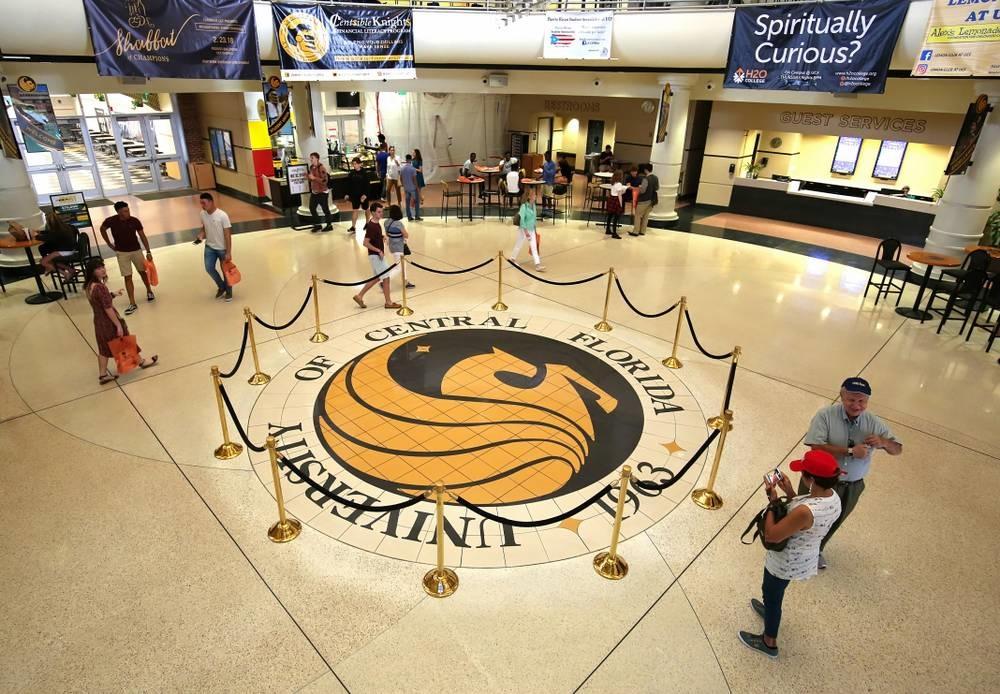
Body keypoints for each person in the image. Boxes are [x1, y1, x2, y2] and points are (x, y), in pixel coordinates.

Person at [738, 450, 842, 659]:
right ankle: (769, 612)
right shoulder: (833, 498)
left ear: (811, 479)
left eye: (803, 473)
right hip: (804, 555)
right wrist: (791, 492)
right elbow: (805, 520)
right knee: (774, 592)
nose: (801, 475)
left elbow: (772, 535)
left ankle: (769, 642)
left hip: (785, 561)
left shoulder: (805, 510)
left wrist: (773, 500)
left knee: (773, 595)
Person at [800, 377, 902, 569]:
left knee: (834, 520)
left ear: (867, 401)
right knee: (806, 515)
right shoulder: (825, 416)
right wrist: (849, 451)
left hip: (852, 485)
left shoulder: (874, 423)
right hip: (821, 481)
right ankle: (793, 546)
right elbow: (815, 446)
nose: (856, 405)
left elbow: (898, 449)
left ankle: (816, 550)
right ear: (841, 396)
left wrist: (884, 442)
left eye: (861, 401)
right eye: (851, 400)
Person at [83, 257, 157, 385]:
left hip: (98, 322)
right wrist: (118, 325)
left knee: (103, 348)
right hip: (108, 322)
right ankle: (142, 362)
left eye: (102, 267)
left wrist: (112, 295)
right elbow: (107, 308)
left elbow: (100, 302)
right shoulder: (100, 288)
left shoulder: (90, 286)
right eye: (98, 269)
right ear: (92, 272)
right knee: (125, 341)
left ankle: (102, 375)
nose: (102, 270)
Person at [99, 201, 154, 315]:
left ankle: (149, 291)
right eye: (124, 211)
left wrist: (148, 251)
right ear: (118, 212)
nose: (127, 212)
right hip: (122, 253)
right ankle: (132, 303)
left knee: (142, 272)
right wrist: (109, 243)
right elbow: (102, 229)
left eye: (128, 210)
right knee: (127, 277)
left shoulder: (134, 221)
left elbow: (142, 236)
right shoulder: (111, 221)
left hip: (136, 251)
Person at [352, 202, 400, 310]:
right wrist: (378, 250)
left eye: (382, 211)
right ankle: (388, 302)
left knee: (377, 278)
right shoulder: (372, 226)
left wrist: (381, 236)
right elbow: (365, 243)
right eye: (379, 212)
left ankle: (359, 296)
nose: (381, 214)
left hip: (375, 256)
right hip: (376, 256)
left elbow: (374, 237)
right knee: (386, 277)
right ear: (373, 212)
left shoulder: (375, 223)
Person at [196, 193, 234, 302]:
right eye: (201, 203)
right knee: (209, 268)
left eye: (204, 203)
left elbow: (227, 234)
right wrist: (201, 234)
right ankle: (222, 286)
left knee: (225, 271)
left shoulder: (222, 215)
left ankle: (229, 291)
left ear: (211, 202)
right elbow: (204, 227)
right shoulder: (202, 214)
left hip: (222, 248)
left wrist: (228, 251)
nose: (202, 205)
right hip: (209, 247)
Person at [28, 216, 78, 281]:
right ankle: (70, 269)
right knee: (48, 260)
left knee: (43, 262)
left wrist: (34, 235)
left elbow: (45, 237)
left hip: (65, 252)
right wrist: (40, 232)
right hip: (72, 249)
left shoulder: (57, 232)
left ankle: (65, 274)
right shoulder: (66, 227)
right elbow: (49, 233)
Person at [511, 188, 545, 272]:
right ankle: (512, 258)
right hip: (524, 229)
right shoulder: (524, 206)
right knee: (519, 243)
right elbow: (522, 220)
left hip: (532, 229)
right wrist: (526, 233)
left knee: (534, 246)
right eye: (534, 195)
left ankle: (537, 265)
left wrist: (534, 229)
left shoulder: (533, 205)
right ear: (529, 197)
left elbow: (533, 218)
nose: (535, 196)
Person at [385, 204, 415, 290]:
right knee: (398, 268)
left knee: (403, 265)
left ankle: (405, 281)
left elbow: (387, 234)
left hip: (392, 246)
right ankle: (383, 281)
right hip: (399, 248)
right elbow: (406, 235)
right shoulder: (398, 224)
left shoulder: (386, 222)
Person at [306, 152, 333, 232]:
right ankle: (318, 225)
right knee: (312, 208)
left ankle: (329, 225)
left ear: (317, 158)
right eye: (310, 158)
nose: (311, 159)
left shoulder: (321, 168)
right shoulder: (311, 167)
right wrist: (309, 177)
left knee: (325, 209)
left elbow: (324, 181)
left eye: (312, 158)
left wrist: (314, 178)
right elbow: (311, 178)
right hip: (315, 192)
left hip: (322, 192)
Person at [345, 156, 371, 234]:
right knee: (355, 210)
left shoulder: (364, 173)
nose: (354, 165)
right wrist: (347, 194)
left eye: (355, 164)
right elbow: (349, 185)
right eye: (353, 164)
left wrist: (365, 195)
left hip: (363, 195)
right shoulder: (351, 174)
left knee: (366, 209)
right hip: (354, 195)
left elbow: (367, 185)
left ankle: (367, 223)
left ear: (360, 164)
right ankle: (353, 227)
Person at [629, 164, 655, 237]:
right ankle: (642, 231)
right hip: (652, 200)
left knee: (637, 215)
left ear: (646, 170)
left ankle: (636, 231)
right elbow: (657, 188)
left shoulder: (645, 179)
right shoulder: (655, 178)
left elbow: (642, 191)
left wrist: (639, 188)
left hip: (643, 200)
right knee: (646, 216)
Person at [400, 154, 422, 221]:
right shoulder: (412, 169)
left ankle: (409, 217)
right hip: (413, 188)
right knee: (416, 202)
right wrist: (417, 188)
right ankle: (417, 216)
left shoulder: (402, 168)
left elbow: (400, 178)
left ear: (406, 159)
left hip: (406, 188)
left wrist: (403, 185)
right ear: (411, 160)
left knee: (407, 203)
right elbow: (414, 180)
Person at [605, 170, 625, 239]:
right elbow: (619, 195)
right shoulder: (619, 184)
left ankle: (608, 229)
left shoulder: (613, 183)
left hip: (611, 199)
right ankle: (614, 233)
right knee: (616, 218)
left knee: (610, 216)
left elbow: (613, 192)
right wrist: (621, 204)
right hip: (616, 200)